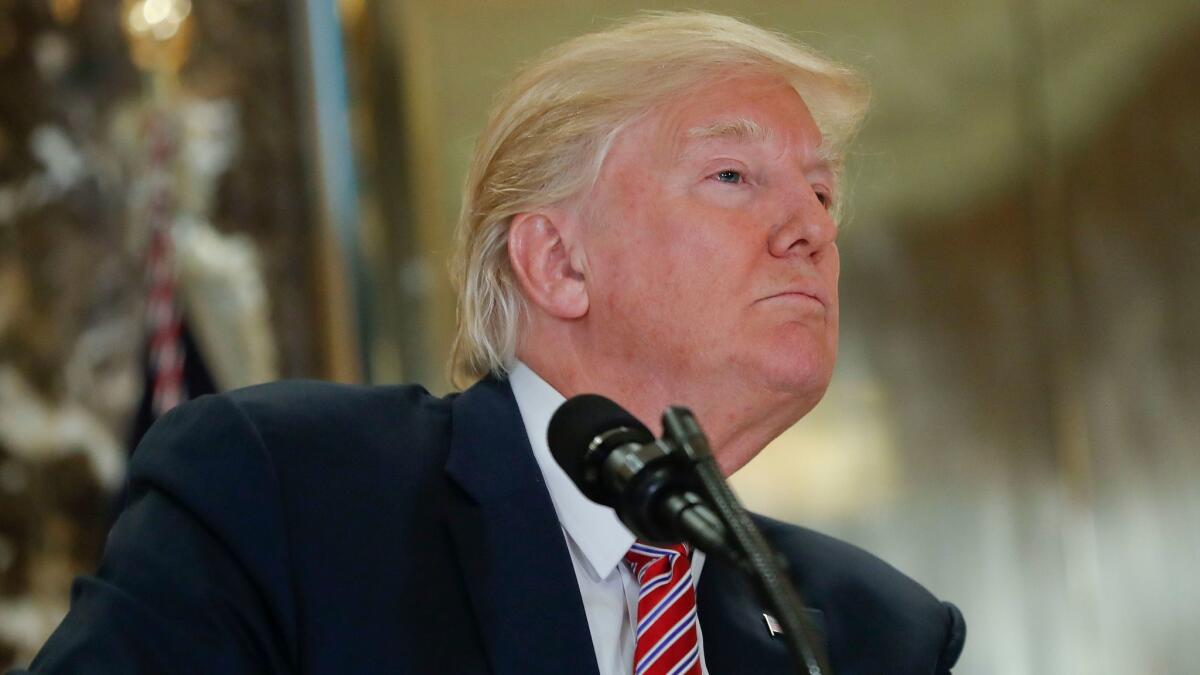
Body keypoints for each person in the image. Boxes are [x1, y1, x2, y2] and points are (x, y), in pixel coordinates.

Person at [14, 11, 965, 675]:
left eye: (823, 194)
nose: (810, 227)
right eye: (731, 174)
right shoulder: (288, 496)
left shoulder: (869, 633)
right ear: (556, 261)